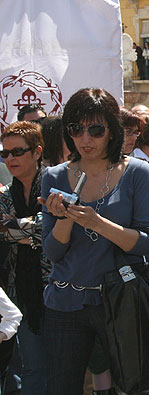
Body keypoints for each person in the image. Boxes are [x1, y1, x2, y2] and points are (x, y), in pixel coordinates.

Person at [39, 88, 149, 395]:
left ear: (112, 130)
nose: (85, 139)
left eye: (95, 129)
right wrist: (66, 218)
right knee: (61, 388)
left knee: (130, 387)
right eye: (76, 129)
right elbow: (53, 252)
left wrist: (97, 223)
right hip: (65, 303)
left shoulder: (136, 172)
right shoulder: (54, 176)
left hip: (120, 301)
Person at [0, 122, 49, 395]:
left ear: (37, 151)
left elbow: (50, 228)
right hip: (22, 290)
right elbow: (1, 230)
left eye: (17, 152)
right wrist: (34, 232)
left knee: (63, 366)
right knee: (32, 367)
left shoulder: (55, 183)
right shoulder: (6, 194)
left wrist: (16, 227)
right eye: (5, 154)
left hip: (59, 288)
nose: (10, 159)